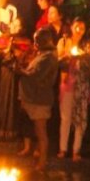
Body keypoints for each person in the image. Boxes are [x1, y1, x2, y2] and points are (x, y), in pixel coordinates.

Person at [18, 28, 60, 171]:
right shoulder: (43, 55)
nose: (35, 43)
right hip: (33, 97)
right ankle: (37, 155)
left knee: (41, 131)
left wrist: (20, 71)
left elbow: (37, 76)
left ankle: (42, 162)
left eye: (37, 40)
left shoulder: (49, 57)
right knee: (36, 130)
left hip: (40, 99)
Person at [56, 17, 90, 161]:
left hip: (83, 84)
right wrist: (67, 56)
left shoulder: (89, 44)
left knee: (80, 118)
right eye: (77, 27)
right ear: (71, 27)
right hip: (67, 82)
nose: (79, 30)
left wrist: (83, 56)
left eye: (82, 28)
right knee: (65, 117)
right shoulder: (64, 41)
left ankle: (76, 150)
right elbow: (57, 60)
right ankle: (62, 149)